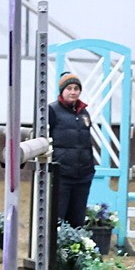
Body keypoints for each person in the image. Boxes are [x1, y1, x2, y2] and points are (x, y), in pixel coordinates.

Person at [47, 71, 96, 228]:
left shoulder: (84, 112)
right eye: (69, 88)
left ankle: (74, 250)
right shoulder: (52, 111)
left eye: (76, 88)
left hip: (83, 174)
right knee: (58, 216)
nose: (73, 92)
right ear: (62, 91)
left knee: (78, 218)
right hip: (62, 174)